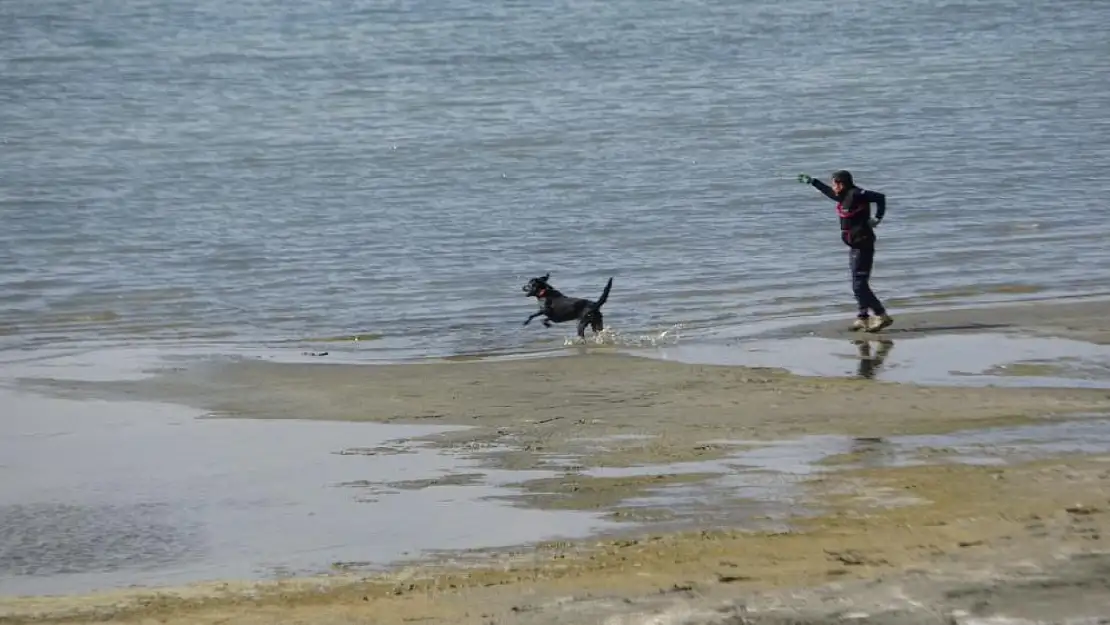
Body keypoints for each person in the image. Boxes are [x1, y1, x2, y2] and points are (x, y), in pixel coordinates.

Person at [797, 170, 893, 332]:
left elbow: (880, 197)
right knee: (857, 283)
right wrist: (813, 182)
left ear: (841, 184)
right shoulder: (843, 196)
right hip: (854, 245)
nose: (833, 186)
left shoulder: (857, 194)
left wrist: (877, 218)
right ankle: (863, 317)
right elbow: (828, 192)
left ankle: (881, 315)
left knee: (859, 285)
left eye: (834, 183)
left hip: (863, 244)